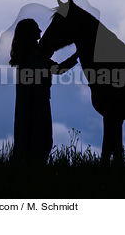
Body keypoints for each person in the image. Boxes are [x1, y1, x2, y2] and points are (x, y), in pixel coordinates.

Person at [9, 18, 79, 164]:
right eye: (36, 28)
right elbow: (56, 69)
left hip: (36, 102)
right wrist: (76, 55)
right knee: (39, 140)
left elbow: (57, 69)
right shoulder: (33, 56)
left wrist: (75, 56)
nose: (40, 31)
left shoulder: (30, 56)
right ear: (30, 33)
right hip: (35, 104)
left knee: (36, 140)